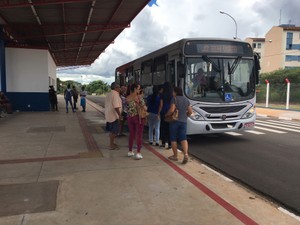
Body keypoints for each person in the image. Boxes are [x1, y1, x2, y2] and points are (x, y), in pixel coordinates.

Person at [165, 87, 192, 164]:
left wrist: (167, 114)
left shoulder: (174, 99)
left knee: (173, 139)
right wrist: (185, 115)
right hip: (183, 121)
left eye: (173, 92)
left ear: (176, 92)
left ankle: (175, 156)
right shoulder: (186, 100)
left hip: (174, 121)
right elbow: (190, 111)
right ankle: (186, 154)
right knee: (183, 138)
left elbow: (172, 110)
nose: (172, 93)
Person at [126, 83, 147, 159]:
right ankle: (138, 153)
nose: (139, 90)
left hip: (129, 117)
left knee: (131, 134)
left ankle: (130, 151)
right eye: (138, 88)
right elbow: (145, 108)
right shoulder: (139, 97)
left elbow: (126, 109)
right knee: (139, 135)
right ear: (135, 89)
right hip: (138, 118)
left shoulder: (127, 98)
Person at [104, 82, 122, 150]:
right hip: (114, 116)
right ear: (116, 88)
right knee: (114, 131)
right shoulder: (115, 95)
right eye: (119, 87)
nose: (120, 88)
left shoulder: (109, 94)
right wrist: (120, 115)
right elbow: (116, 106)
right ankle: (111, 145)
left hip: (109, 115)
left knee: (112, 131)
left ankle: (112, 143)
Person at [158, 81, 173, 149]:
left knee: (163, 128)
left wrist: (158, 113)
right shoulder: (172, 95)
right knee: (169, 128)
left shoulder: (162, 95)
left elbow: (161, 105)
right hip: (170, 112)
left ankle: (163, 143)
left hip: (163, 112)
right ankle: (170, 144)